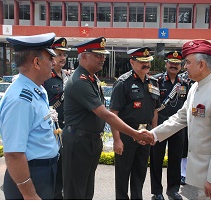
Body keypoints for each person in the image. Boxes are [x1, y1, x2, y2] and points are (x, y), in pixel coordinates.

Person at [147, 39, 211, 200]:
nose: (184, 66)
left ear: (202, 64)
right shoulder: (196, 87)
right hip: (203, 170)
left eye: (188, 62)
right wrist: (154, 135)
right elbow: (181, 117)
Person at [61, 37, 154, 200]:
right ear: (83, 56)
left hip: (89, 141)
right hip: (78, 142)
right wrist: (135, 134)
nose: (102, 58)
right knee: (76, 192)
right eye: (97, 55)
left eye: (103, 55)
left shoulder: (91, 78)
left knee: (86, 191)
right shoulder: (79, 81)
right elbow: (105, 113)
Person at [0, 33, 59, 199]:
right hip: (30, 178)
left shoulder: (36, 89)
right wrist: (30, 195)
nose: (54, 62)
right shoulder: (21, 100)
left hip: (43, 173)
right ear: (36, 62)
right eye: (49, 57)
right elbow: (14, 154)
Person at [109, 47, 160, 200]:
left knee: (140, 172)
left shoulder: (153, 82)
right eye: (142, 62)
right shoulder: (123, 83)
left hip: (145, 135)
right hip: (127, 136)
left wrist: (154, 133)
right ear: (132, 62)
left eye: (148, 62)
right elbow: (113, 114)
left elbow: (155, 111)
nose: (146, 65)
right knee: (123, 174)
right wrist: (117, 140)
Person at [150, 51, 188, 200]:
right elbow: (154, 107)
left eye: (177, 63)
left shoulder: (185, 83)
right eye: (171, 63)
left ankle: (173, 189)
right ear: (166, 64)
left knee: (175, 159)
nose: (174, 65)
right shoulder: (157, 81)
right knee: (156, 159)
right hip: (160, 123)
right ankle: (157, 192)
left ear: (181, 66)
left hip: (178, 126)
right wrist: (153, 128)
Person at [43, 37, 70, 200]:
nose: (62, 58)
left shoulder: (67, 77)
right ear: (51, 56)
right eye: (59, 54)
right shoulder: (45, 78)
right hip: (49, 130)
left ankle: (58, 194)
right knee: (49, 166)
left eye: (64, 55)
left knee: (62, 166)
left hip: (65, 129)